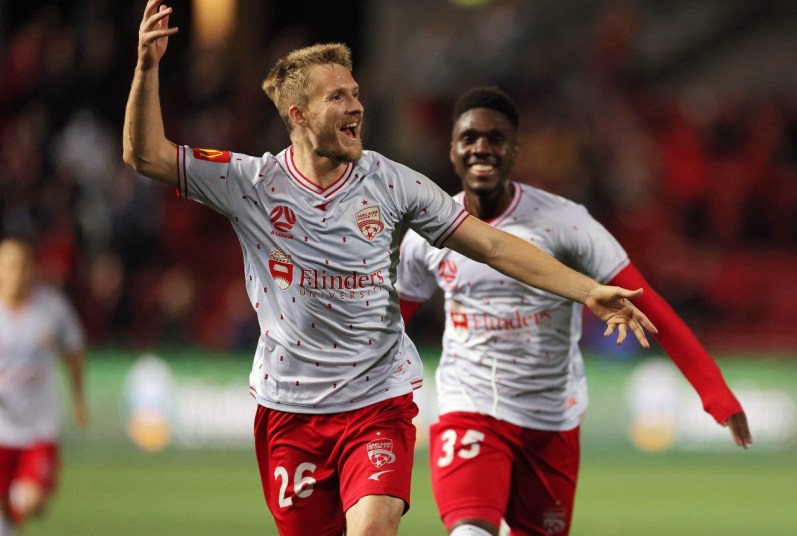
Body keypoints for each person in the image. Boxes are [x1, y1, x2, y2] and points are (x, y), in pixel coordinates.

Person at [122, 3, 657, 535]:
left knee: (373, 529)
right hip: (290, 409)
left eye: (355, 92)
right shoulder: (251, 183)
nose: (356, 105)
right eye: (337, 96)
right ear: (298, 115)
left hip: (378, 400)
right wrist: (147, 67)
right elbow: (145, 155)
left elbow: (492, 245)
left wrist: (586, 290)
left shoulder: (392, 182)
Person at [397, 86, 752, 536]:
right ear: (452, 150)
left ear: (515, 151)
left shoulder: (566, 222)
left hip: (551, 419)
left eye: (495, 138)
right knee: (470, 531)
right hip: (469, 407)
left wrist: (714, 391)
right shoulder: (427, 232)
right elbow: (392, 323)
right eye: (469, 138)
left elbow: (647, 303)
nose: (481, 148)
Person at [0, 238, 87, 536]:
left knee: (32, 501)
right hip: (1, 428)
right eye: (10, 266)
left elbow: (74, 350)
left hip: (38, 428)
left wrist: (78, 398)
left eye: (23, 265)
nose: (17, 273)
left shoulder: (52, 308)